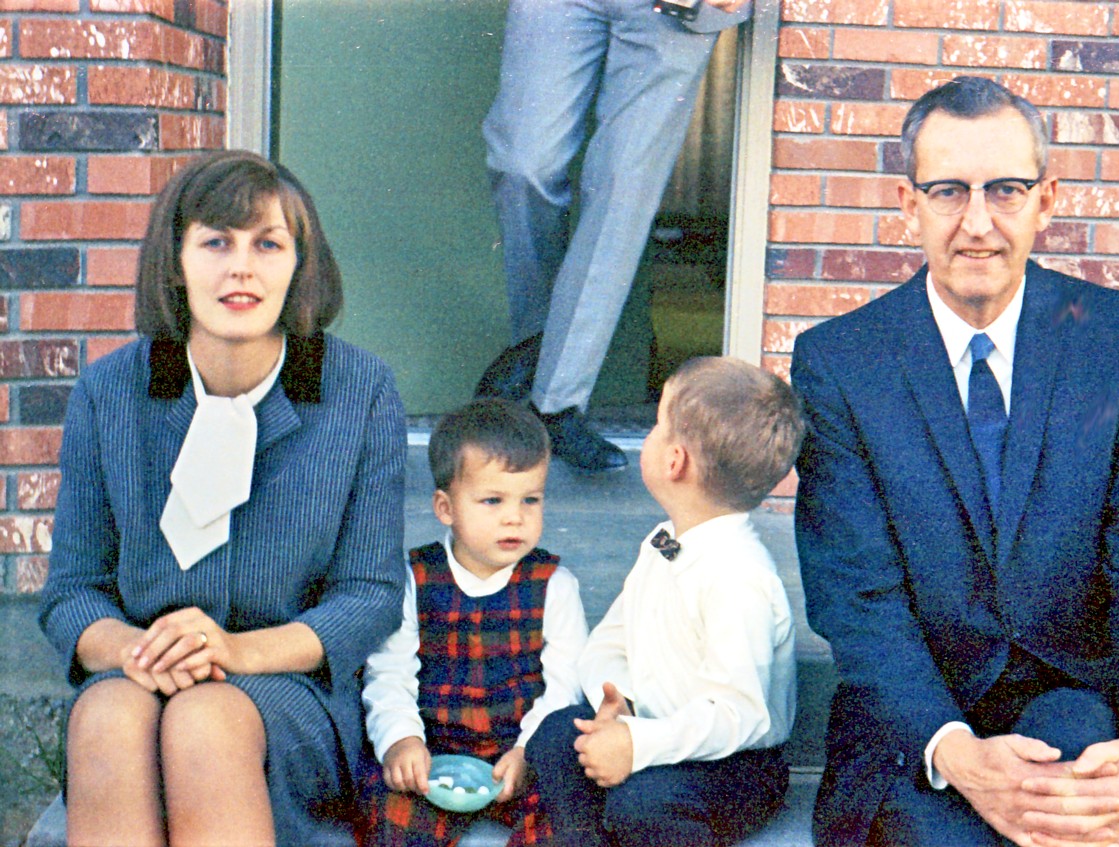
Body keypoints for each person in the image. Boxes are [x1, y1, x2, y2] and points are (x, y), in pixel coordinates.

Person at [791, 76, 1119, 847]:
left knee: (1072, 790)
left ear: (1046, 200)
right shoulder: (841, 363)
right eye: (948, 191)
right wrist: (957, 752)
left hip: (1074, 697)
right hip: (918, 724)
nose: (978, 223)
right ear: (908, 204)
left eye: (1006, 190)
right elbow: (857, 596)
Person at [38, 150, 407, 845]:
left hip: (286, 685)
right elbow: (72, 592)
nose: (241, 268)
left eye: (267, 244)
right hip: (139, 670)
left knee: (203, 719)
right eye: (216, 243)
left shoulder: (360, 391)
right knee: (108, 717)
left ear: (300, 264)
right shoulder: (110, 391)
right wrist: (142, 649)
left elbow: (369, 595)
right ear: (176, 262)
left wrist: (234, 651)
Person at [524, 355, 804, 847]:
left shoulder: (739, 578)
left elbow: (739, 715)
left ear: (675, 461)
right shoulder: (663, 543)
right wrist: (620, 703)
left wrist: (639, 743)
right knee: (554, 737)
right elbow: (608, 642)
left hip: (732, 765)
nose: (649, 436)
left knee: (643, 803)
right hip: (647, 729)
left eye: (656, 426)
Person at [474, 0, 751, 472]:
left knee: (623, 190)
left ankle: (554, 401)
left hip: (674, 9)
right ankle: (538, 349)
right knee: (523, 164)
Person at [359, 398, 590, 846]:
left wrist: (528, 751)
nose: (514, 516)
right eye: (492, 500)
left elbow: (565, 687)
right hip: (434, 753)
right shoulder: (414, 579)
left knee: (567, 814)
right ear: (445, 508)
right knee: (389, 814)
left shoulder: (554, 585)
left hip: (519, 754)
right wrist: (401, 740)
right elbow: (389, 673)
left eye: (531, 499)